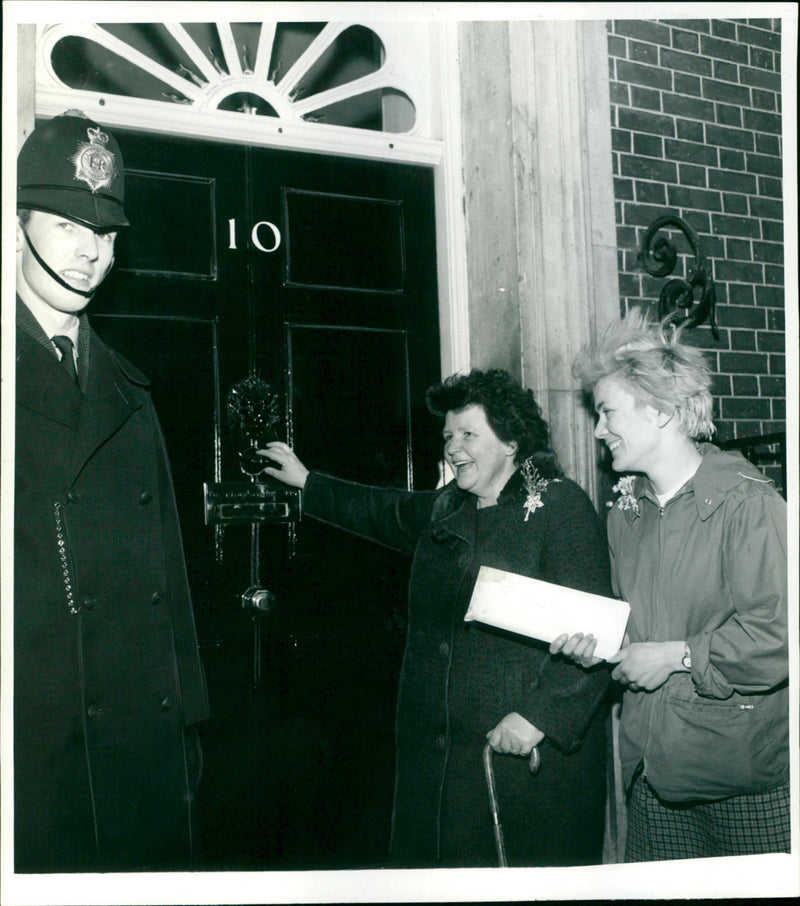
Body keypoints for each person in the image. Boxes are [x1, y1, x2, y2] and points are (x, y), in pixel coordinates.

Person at [258, 369, 612, 867]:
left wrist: (540, 717)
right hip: (445, 765)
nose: (453, 447)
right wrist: (307, 482)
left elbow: (597, 635)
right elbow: (378, 509)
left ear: (511, 441)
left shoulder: (557, 505)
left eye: (468, 434)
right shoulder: (448, 509)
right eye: (448, 436)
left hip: (521, 760)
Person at [14, 111, 209, 872]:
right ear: (18, 226)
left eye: (105, 232)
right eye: (67, 225)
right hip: (38, 746)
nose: (90, 252)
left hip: (140, 744)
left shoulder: (131, 391)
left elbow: (170, 580)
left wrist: (187, 724)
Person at [553, 308, 790, 861]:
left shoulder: (748, 504)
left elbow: (780, 637)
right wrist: (597, 643)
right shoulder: (625, 514)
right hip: (651, 774)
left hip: (742, 783)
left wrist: (675, 656)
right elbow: (635, 630)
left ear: (659, 410)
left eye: (607, 412)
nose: (598, 430)